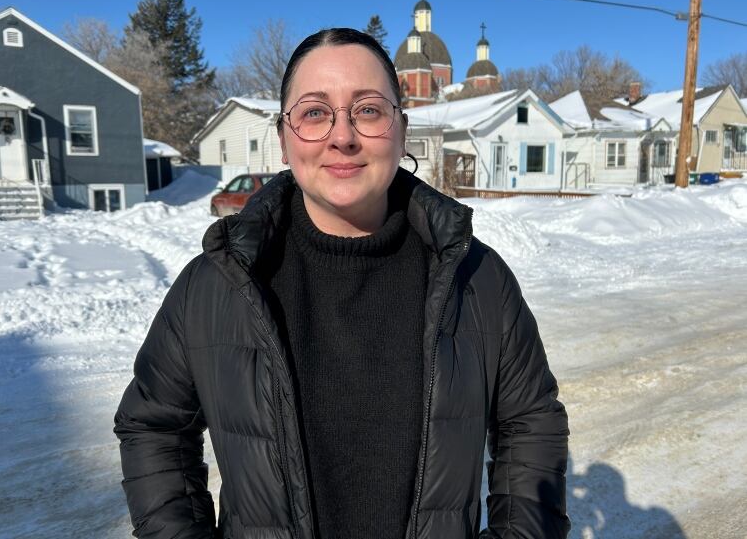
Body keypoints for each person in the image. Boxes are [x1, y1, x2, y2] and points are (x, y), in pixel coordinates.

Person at [115, 27, 570, 539]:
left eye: (369, 110)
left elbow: (531, 424)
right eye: (314, 112)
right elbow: (153, 425)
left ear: (401, 129)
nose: (343, 135)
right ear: (284, 139)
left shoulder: (477, 278)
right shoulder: (219, 283)